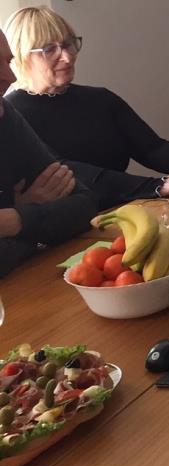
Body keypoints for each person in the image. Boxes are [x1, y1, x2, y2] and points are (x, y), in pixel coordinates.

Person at [4, 6, 169, 210]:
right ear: (21, 56)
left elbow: (153, 149)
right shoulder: (11, 114)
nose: (67, 57)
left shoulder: (100, 99)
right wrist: (156, 186)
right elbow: (69, 173)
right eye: (49, 49)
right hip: (70, 221)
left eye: (68, 44)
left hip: (128, 210)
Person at [0, 27, 97, 278]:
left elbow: (84, 206)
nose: (10, 77)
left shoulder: (5, 114)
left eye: (8, 62)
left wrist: (15, 218)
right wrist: (33, 222)